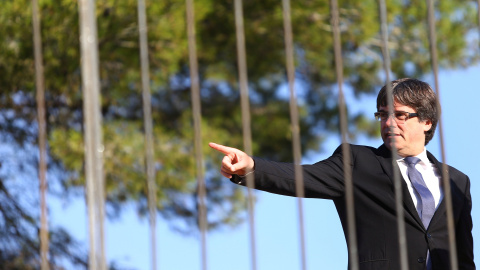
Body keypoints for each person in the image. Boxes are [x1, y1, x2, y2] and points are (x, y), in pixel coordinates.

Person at [209, 78, 475, 270]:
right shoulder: (357, 162)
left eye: (400, 116)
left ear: (427, 121)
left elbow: (464, 257)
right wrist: (252, 166)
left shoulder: (457, 181)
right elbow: (302, 177)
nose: (388, 123)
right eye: (382, 115)